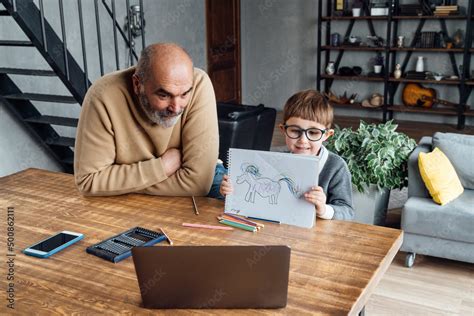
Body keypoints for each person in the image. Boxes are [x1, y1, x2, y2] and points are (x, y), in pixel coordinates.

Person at [74, 43, 219, 196]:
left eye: (184, 95)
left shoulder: (199, 84)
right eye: (164, 95)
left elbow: (198, 185)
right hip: (163, 187)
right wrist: (161, 168)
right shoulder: (102, 96)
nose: (176, 108)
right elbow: (88, 181)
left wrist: (118, 184)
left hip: (210, 180)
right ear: (137, 84)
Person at [220, 89, 354, 220]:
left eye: (313, 133)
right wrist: (230, 192)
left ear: (327, 135)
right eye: (295, 131)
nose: (303, 140)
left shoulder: (336, 166)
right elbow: (258, 195)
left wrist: (324, 209)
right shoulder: (274, 159)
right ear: (283, 130)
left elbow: (347, 212)